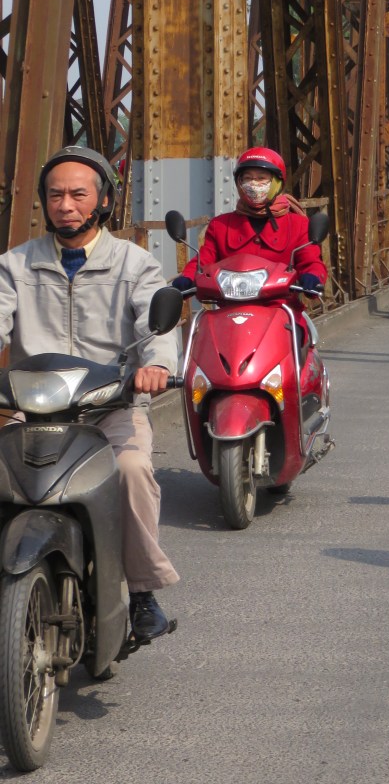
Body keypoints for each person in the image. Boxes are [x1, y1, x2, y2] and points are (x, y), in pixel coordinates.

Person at [0, 147, 181, 640]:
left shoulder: (134, 263)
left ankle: (141, 593)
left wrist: (157, 365)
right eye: (55, 194)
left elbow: (155, 323)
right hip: (34, 411)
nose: (65, 205)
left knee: (133, 470)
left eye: (78, 194)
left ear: (103, 201)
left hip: (109, 409)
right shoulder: (15, 265)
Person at [175, 147, 327, 302]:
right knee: (202, 319)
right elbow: (204, 260)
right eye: (247, 178)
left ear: (277, 183)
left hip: (281, 307)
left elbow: (310, 261)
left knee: (301, 320)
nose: (254, 183)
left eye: (261, 178)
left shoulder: (298, 224)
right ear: (239, 183)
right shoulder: (220, 225)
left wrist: (312, 276)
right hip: (231, 307)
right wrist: (187, 278)